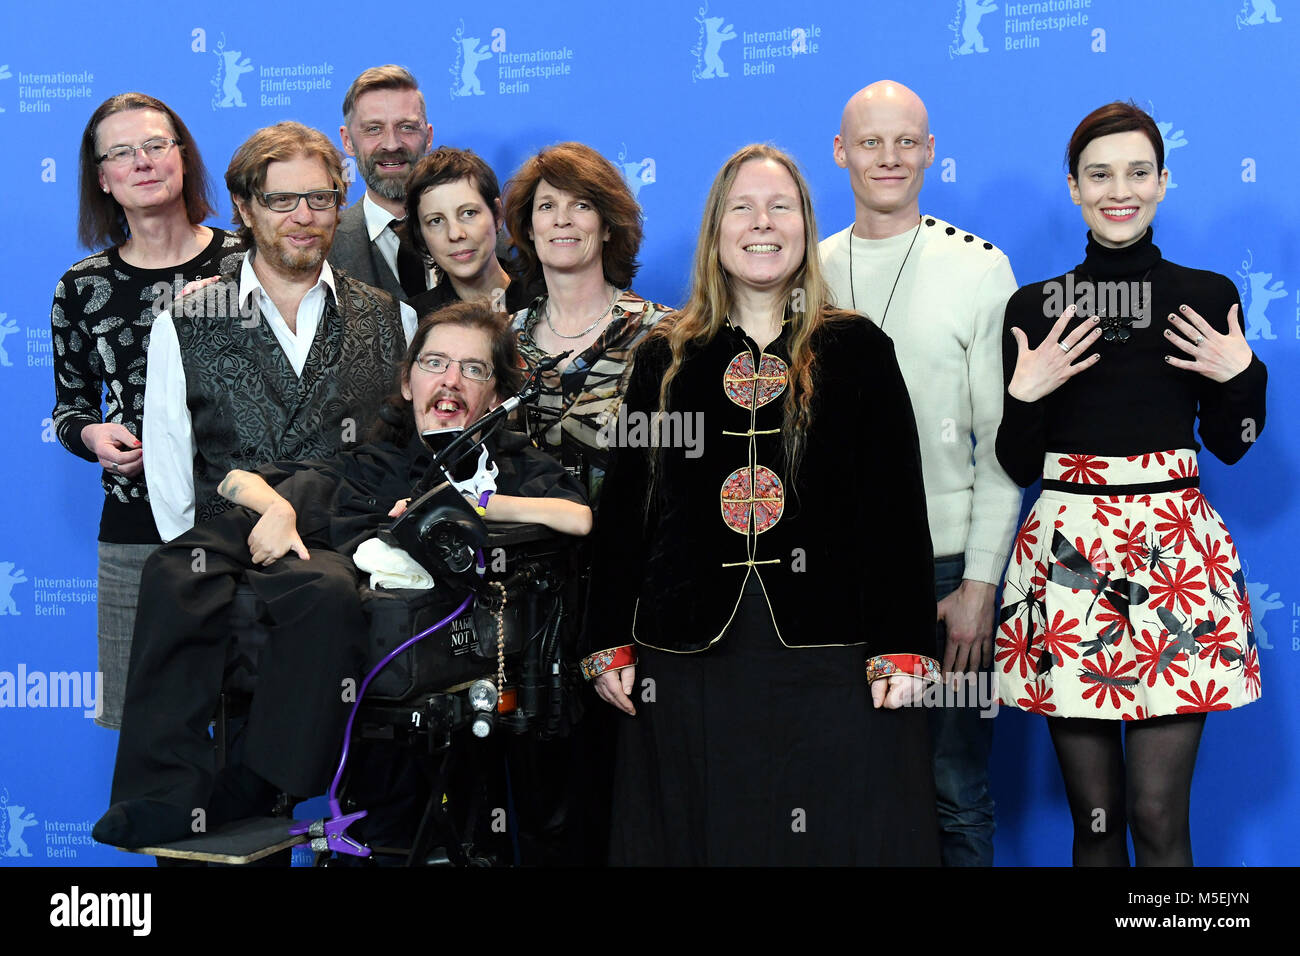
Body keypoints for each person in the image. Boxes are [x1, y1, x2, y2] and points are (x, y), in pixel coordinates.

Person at [93, 302, 591, 850]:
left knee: (323, 588)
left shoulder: (516, 464)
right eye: (435, 363)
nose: (450, 380)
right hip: (326, 542)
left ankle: (262, 781)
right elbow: (237, 480)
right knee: (175, 567)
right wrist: (278, 511)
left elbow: (576, 516)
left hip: (415, 617)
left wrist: (472, 501)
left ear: (495, 396)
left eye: (472, 369)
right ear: (407, 382)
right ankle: (161, 792)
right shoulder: (371, 461)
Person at [582, 144, 942, 866]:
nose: (762, 222)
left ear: (806, 227)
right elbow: (625, 511)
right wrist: (606, 639)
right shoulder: (664, 356)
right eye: (742, 207)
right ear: (716, 229)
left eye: (781, 206)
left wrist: (904, 645)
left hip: (829, 649)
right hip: (689, 649)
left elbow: (896, 508)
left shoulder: (857, 348)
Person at [995, 101, 1267, 866]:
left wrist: (1242, 376)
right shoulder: (1035, 308)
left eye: (1138, 172)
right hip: (1068, 562)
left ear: (1163, 182)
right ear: (1075, 189)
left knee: (1156, 815)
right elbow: (1018, 465)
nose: (1120, 189)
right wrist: (1026, 395)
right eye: (1100, 174)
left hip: (1175, 559)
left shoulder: (1208, 297)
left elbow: (1233, 445)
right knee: (1099, 823)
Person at [819, 79, 1021, 866]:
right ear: (841, 153)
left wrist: (978, 584)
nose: (889, 157)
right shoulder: (806, 267)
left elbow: (1004, 445)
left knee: (952, 785)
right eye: (870, 142)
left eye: (907, 141)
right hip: (830, 575)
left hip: (944, 576)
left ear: (931, 152)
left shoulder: (979, 269)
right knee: (842, 781)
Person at [50, 92, 244, 730]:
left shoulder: (245, 263)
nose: (143, 162)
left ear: (183, 157)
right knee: (147, 732)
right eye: (122, 153)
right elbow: (69, 409)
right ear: (102, 178)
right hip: (135, 528)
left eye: (157, 145)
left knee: (250, 717)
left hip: (242, 519)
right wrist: (92, 436)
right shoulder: (82, 286)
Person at [143, 121, 418, 543]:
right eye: (282, 200)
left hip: (359, 581)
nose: (304, 216)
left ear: (339, 203)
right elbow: (170, 484)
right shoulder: (181, 324)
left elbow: (409, 460)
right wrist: (203, 572)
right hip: (232, 577)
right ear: (246, 207)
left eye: (320, 198)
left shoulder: (394, 317)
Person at [503, 142, 671, 501]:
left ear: (607, 226)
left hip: (632, 548)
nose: (562, 219)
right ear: (529, 228)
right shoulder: (502, 339)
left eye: (581, 205)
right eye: (547, 206)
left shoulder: (664, 334)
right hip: (525, 550)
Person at [328, 65, 433, 301]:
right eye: (373, 129)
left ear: (428, 137)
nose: (392, 144)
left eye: (406, 127)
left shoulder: (483, 237)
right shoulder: (324, 247)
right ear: (347, 141)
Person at [405, 147, 531, 318]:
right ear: (421, 233)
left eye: (468, 213)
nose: (455, 234)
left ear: (497, 215)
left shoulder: (544, 302)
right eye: (436, 221)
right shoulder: (410, 320)